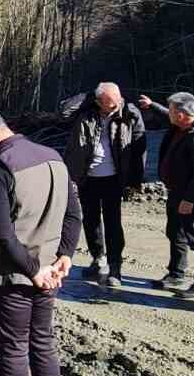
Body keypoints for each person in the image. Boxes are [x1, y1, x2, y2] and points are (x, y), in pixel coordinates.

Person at [0, 104, 81, 376]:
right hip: (49, 272)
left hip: (12, 276)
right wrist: (65, 255)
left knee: (13, 347)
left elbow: (2, 233)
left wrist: (33, 270)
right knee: (43, 340)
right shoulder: (53, 157)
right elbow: (73, 214)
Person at [62, 82, 146, 288]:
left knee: (113, 223)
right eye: (111, 103)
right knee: (90, 220)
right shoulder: (86, 112)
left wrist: (135, 179)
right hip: (87, 176)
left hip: (114, 178)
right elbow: (64, 111)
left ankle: (115, 267)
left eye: (118, 100)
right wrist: (89, 95)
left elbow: (139, 147)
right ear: (98, 101)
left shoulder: (130, 113)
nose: (117, 106)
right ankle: (97, 259)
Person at [137, 92, 194, 298]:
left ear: (181, 115)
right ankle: (176, 274)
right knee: (175, 233)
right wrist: (152, 105)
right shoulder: (182, 124)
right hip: (176, 191)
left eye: (172, 111)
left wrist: (189, 200)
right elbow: (167, 115)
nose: (169, 114)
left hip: (193, 195)